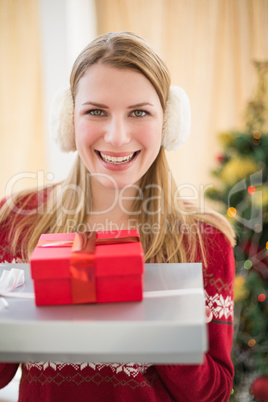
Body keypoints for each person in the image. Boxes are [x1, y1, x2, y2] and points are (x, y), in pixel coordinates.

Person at [0, 32, 235, 402]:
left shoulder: (204, 240)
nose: (117, 137)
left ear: (169, 122)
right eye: (96, 111)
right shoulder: (17, 222)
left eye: (139, 112)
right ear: (69, 119)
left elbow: (214, 393)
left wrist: (158, 322)